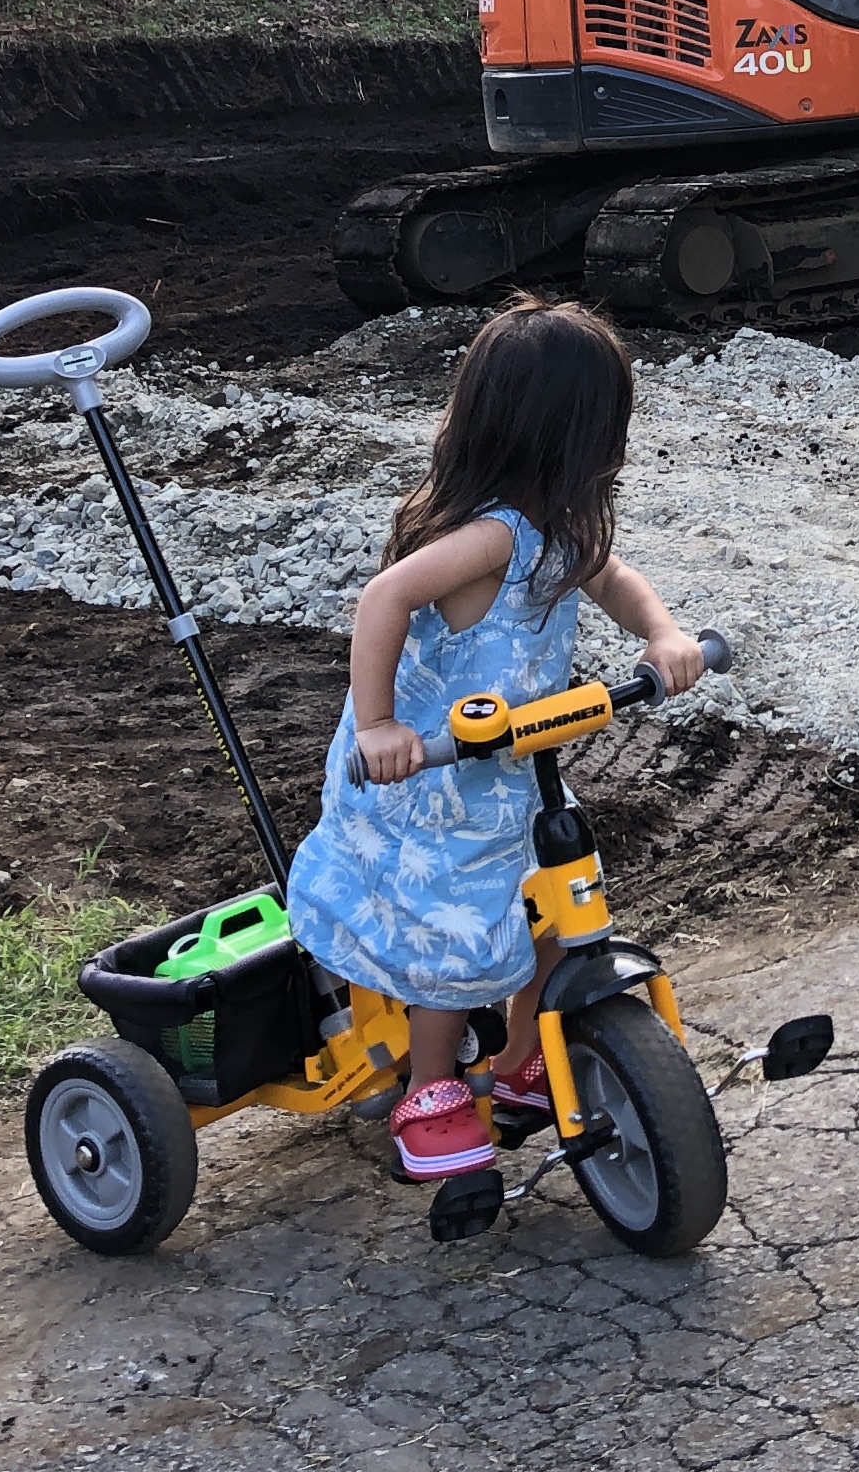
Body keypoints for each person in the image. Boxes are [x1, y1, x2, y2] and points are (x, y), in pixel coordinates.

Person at [283, 295, 707, 1180]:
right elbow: (383, 598)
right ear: (570, 436)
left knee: (553, 897)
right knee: (458, 930)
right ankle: (430, 1088)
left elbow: (617, 579)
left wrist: (660, 635)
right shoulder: (489, 538)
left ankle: (520, 1060)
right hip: (426, 778)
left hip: (509, 770)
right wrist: (378, 725)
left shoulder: (563, 532)